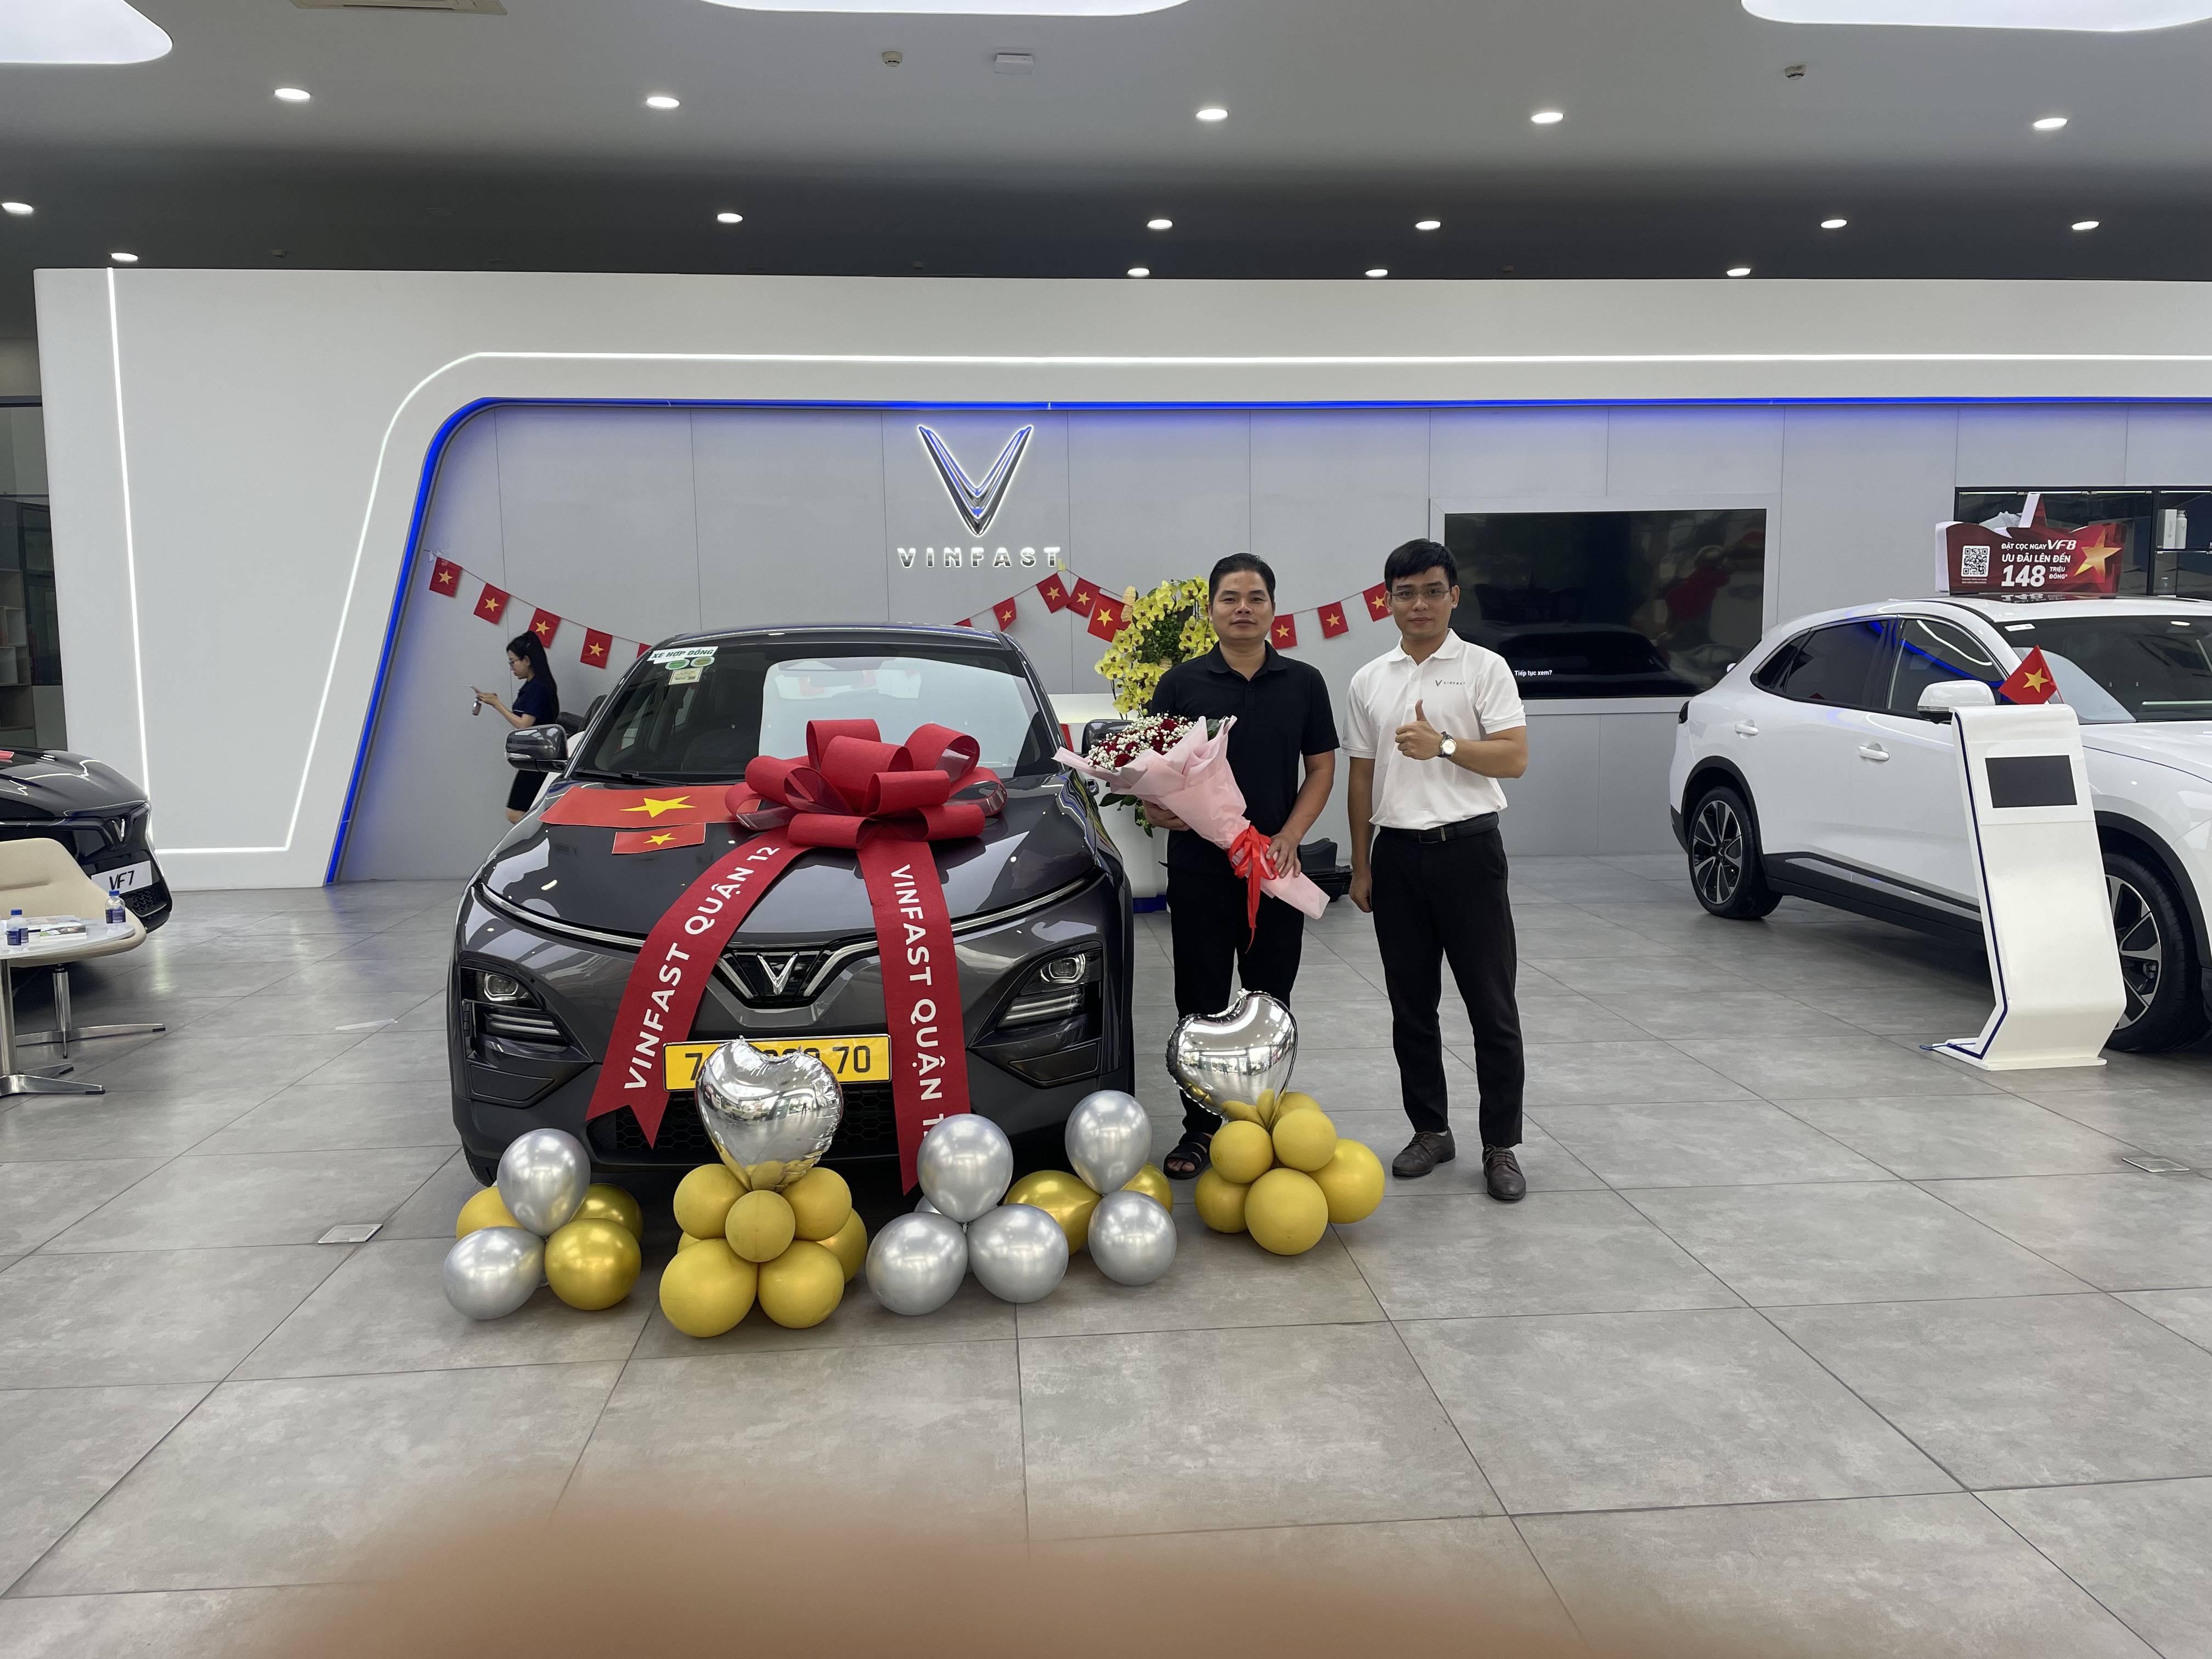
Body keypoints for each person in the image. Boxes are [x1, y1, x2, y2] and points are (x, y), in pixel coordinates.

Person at [1344, 539, 1530, 1200]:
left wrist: (1444, 745)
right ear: (1387, 601)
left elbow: (1514, 758)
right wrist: (1360, 865)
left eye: (1430, 591)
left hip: (1469, 854)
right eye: (1405, 593)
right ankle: (1431, 1130)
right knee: (1411, 1007)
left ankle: (1501, 1145)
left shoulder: (1485, 668)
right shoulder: (1369, 680)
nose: (1418, 604)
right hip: (1396, 858)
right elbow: (1360, 777)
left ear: (1453, 596)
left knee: (1491, 1007)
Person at [1148, 554, 1339, 1179]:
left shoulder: (1304, 682)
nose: (1243, 609)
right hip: (1200, 873)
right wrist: (1157, 808)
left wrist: (1291, 834)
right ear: (1211, 610)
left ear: (1273, 609)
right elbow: (1152, 773)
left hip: (1273, 871)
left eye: (1256, 597)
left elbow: (1322, 768)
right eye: (1230, 598)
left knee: (1270, 1002)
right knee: (1200, 1003)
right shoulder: (1181, 684)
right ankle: (1200, 1128)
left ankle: (1262, 1123)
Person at [475, 631, 561, 823]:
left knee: (515, 812)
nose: (511, 667)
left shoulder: (538, 687)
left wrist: (497, 704)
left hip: (540, 757)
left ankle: (542, 837)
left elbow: (524, 724)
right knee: (523, 811)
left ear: (527, 660)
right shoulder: (534, 685)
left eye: (513, 662)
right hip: (537, 756)